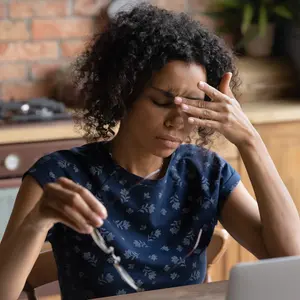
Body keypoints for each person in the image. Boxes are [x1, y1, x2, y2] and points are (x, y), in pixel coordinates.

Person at [1, 3, 300, 300]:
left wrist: (250, 141)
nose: (177, 121)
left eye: (193, 107)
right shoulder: (59, 175)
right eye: (161, 102)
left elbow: (290, 257)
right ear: (123, 93)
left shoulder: (206, 173)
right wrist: (37, 220)